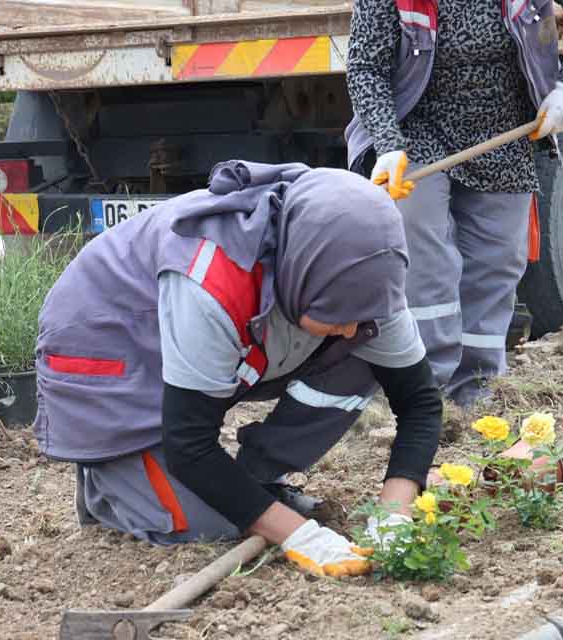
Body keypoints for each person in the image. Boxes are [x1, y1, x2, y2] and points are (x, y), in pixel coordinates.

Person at [32, 161, 440, 577]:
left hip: (211, 338)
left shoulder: (364, 280)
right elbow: (189, 446)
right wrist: (301, 535)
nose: (352, 327)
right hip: (111, 348)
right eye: (335, 314)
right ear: (302, 274)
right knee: (211, 525)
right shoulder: (214, 280)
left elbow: (420, 403)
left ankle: (255, 478)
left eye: (361, 315)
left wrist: (396, 513)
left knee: (360, 357)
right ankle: (113, 483)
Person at [345, 0, 563, 406]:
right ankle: (421, 392)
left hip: (505, 133)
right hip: (415, 130)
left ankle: (477, 393)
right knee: (423, 259)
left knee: (497, 262)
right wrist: (387, 143)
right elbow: (365, 66)